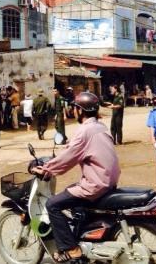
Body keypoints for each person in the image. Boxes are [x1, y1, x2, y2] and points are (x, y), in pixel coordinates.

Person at [33, 92, 120, 263]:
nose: (73, 110)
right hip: (109, 180)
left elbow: (69, 158)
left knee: (53, 205)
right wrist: (68, 146)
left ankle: (72, 249)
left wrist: (46, 169)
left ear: (80, 110)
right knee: (74, 200)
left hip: (96, 183)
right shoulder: (100, 126)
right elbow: (78, 147)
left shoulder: (85, 130)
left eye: (75, 107)